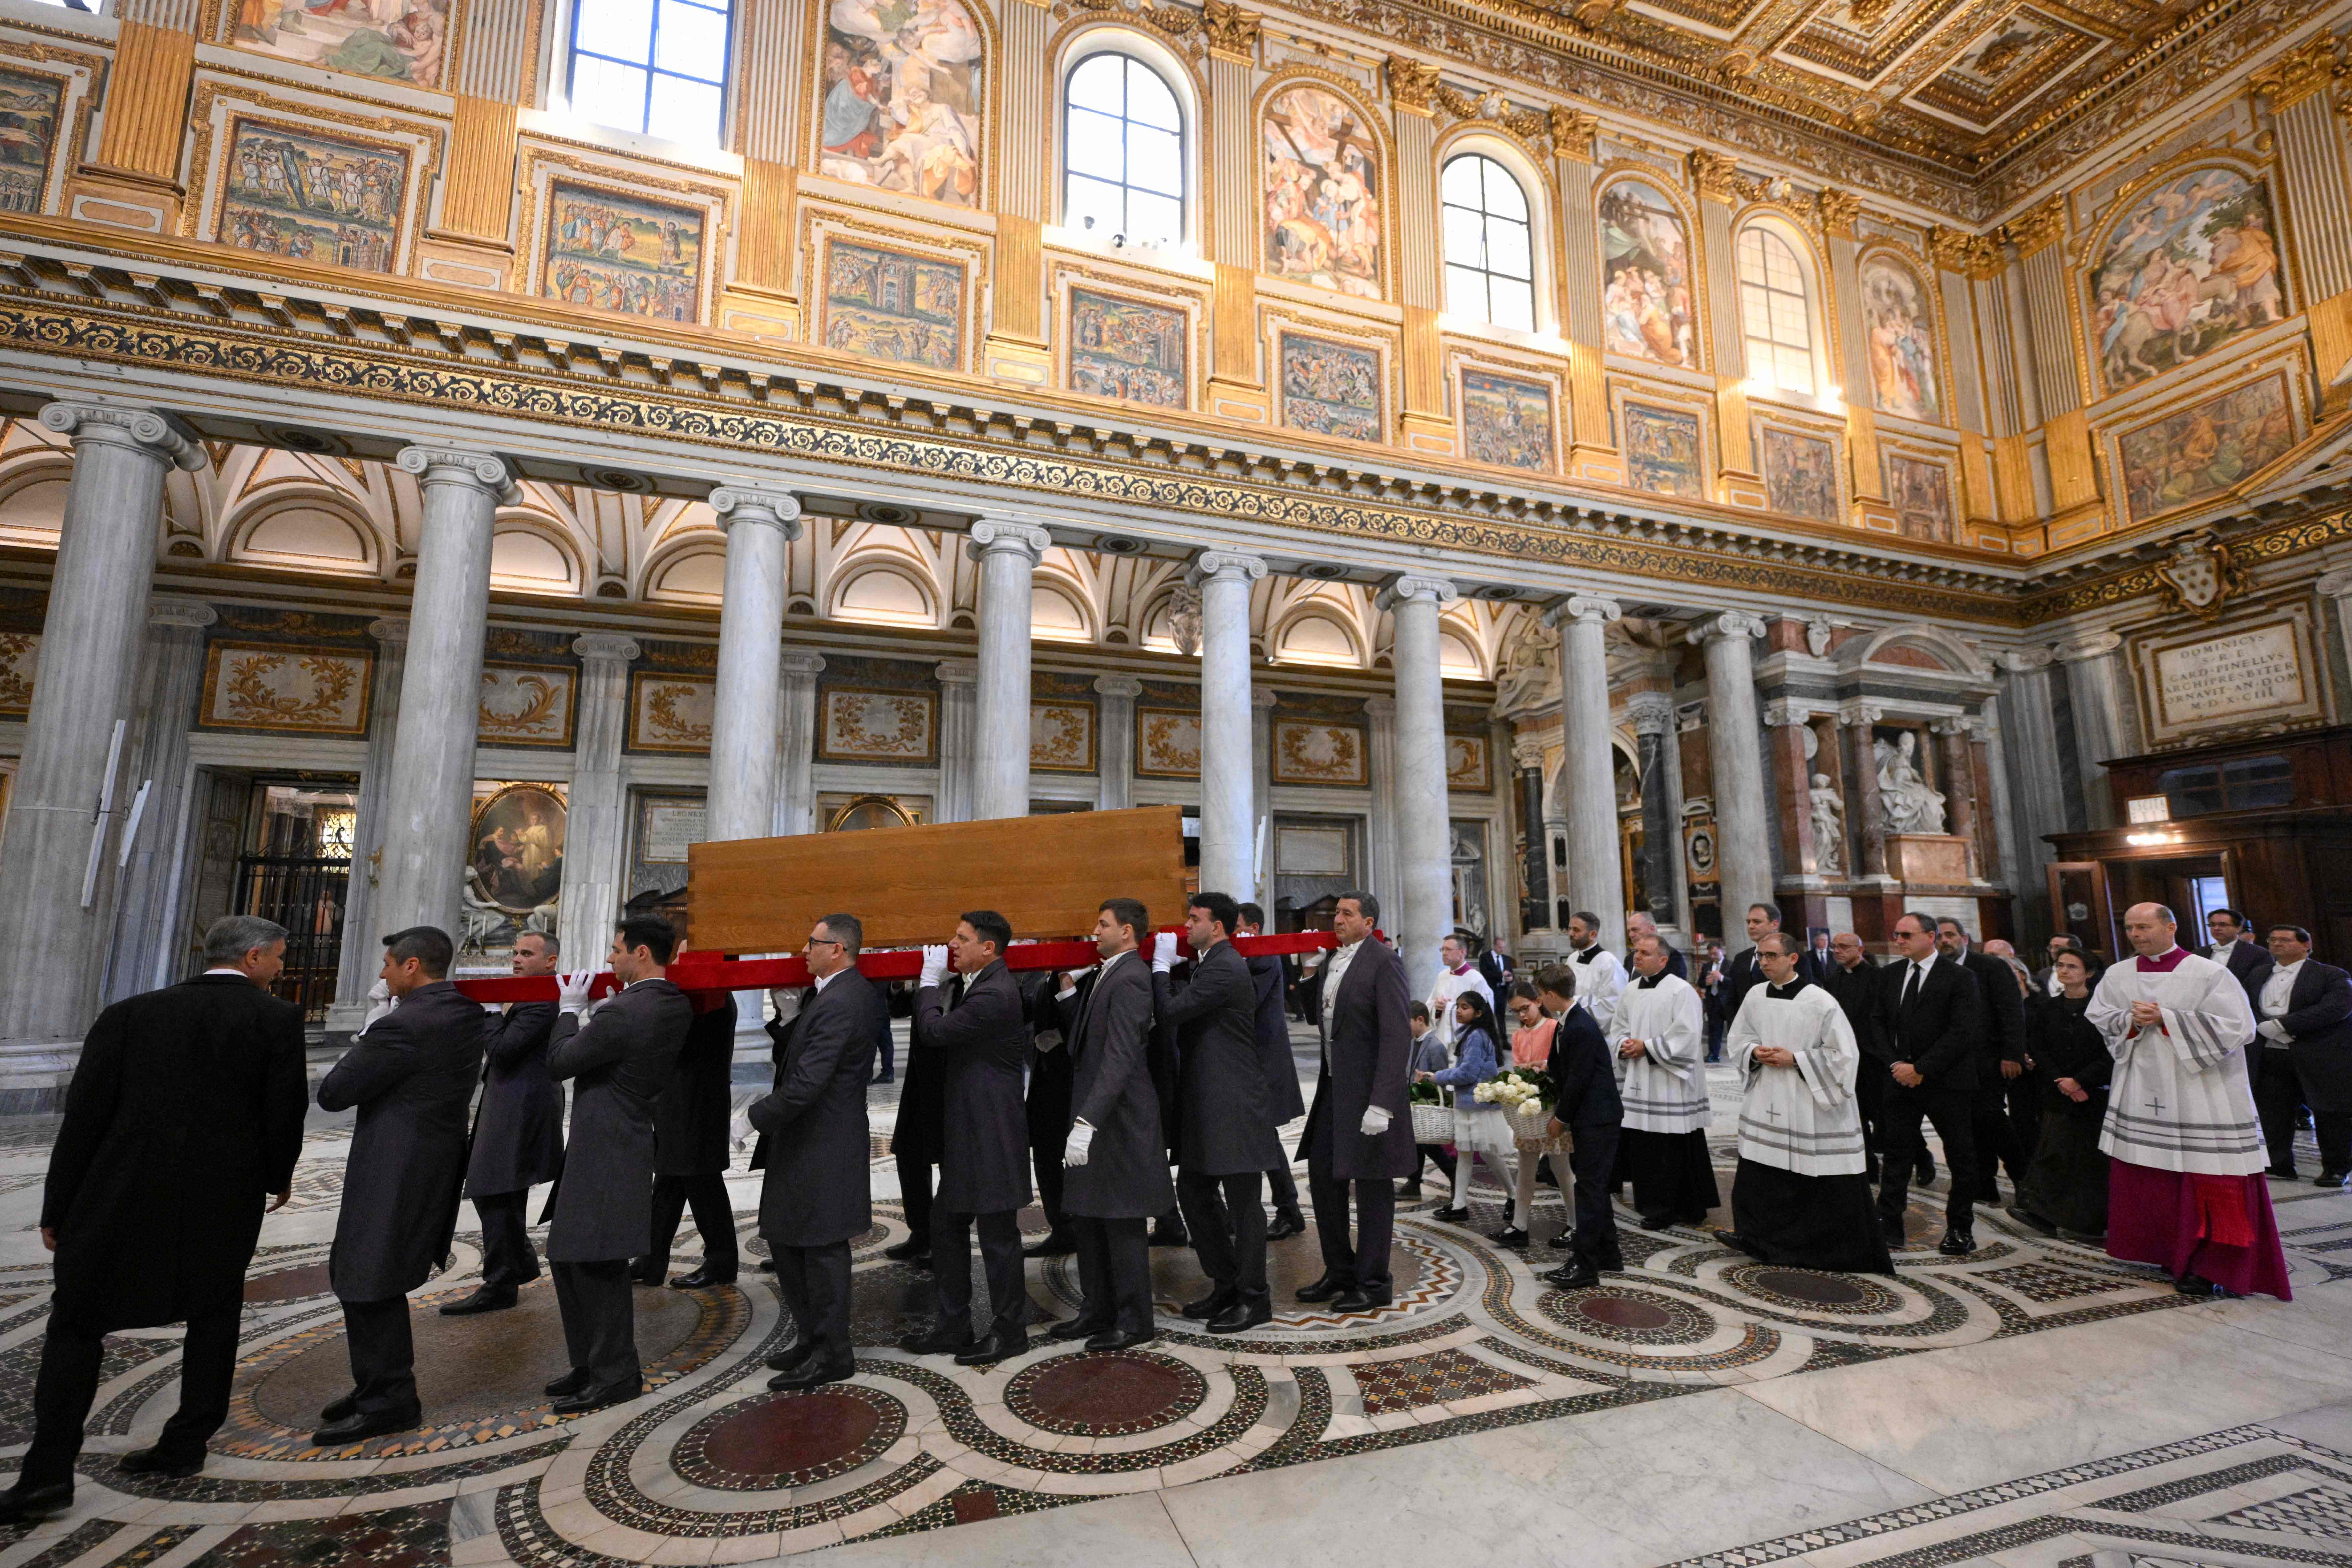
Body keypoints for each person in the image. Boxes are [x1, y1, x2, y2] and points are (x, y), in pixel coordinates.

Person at [0, 917, 305, 1520]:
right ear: (252, 958)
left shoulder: (129, 1013)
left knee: (76, 1326)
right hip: (221, 1196)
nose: (280, 967)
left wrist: (59, 1205)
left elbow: (84, 1116)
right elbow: (283, 1110)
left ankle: (46, 1474)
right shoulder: (275, 1018)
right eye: (277, 957)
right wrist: (277, 1176)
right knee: (214, 1314)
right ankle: (186, 1442)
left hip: (119, 1191)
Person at [313, 926, 485, 1444]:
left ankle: (390, 1400)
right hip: (431, 1159)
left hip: (394, 1163)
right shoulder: (463, 1010)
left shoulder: (404, 1024)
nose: (382, 973)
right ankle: (374, 1384)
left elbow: (334, 1093)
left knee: (368, 1276)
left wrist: (371, 1030)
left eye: (388, 964)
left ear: (412, 966)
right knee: (369, 1271)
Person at [2092, 902, 2289, 1299]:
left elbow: (2240, 1028)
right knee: (2151, 1173)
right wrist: (2129, 1021)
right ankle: (2163, 1250)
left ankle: (2208, 1264)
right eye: (2129, 928)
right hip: (2143, 1087)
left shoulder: (2209, 973)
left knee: (2208, 1174)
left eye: (2144, 927)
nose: (2135, 935)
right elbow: (2101, 1016)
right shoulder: (2118, 974)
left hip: (2202, 1090)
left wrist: (2168, 1019)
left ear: (2171, 927)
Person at [542, 916, 693, 1414]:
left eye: (616, 950)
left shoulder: (625, 1012)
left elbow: (560, 1062)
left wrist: (570, 1014)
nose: (610, 958)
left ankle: (615, 1374)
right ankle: (590, 1363)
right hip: (619, 1136)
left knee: (595, 1260)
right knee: (569, 1253)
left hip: (605, 1143)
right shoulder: (671, 1002)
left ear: (642, 953)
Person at [752, 913, 886, 1387]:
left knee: (822, 1247)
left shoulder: (845, 999)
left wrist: (752, 1118)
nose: (804, 951)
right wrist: (791, 1019)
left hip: (825, 1140)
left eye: (812, 943)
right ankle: (811, 1337)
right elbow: (803, 1057)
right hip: (806, 1138)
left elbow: (808, 1082)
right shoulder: (830, 994)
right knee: (788, 1239)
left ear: (837, 950)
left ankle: (833, 1354)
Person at [904, 910, 1034, 1364]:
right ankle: (954, 1326)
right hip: (970, 1132)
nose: (952, 945)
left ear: (988, 947)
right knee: (945, 1224)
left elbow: (934, 1032)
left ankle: (1010, 1331)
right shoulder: (979, 984)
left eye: (962, 938)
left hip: (992, 1134)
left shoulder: (994, 993)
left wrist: (927, 984)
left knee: (998, 1237)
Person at [1719, 933, 1892, 1273]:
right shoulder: (1755, 995)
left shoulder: (1820, 1001)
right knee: (1761, 1171)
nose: (1764, 962)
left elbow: (1844, 1056)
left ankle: (1811, 1248)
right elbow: (1739, 1038)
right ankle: (1757, 1238)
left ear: (1793, 958)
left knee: (1809, 1178)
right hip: (1767, 1097)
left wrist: (1796, 1059)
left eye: (1771, 955)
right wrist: (1754, 1051)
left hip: (1807, 1100)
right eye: (1761, 956)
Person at [1050, 898, 1174, 1350]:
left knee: (1122, 1224)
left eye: (1103, 924)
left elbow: (1120, 1057)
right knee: (1089, 1217)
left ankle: (1135, 1321)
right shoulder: (1108, 973)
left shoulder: (1132, 977)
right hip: (1099, 1115)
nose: (1095, 931)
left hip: (1117, 1121)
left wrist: (1087, 1121)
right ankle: (1097, 1310)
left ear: (1127, 932)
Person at [1156, 892, 1283, 1334]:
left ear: (1217, 927)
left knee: (1245, 1205)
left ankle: (1254, 1297)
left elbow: (1171, 1012)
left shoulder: (1225, 966)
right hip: (1209, 1101)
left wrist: (1159, 969)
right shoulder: (1209, 964)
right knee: (1194, 1192)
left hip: (1234, 1102)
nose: (1186, 926)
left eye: (1194, 919)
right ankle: (1227, 1283)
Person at [1297, 890, 1414, 1313]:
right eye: (1336, 913)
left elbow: (1397, 1036)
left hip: (1368, 1094)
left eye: (1347, 914)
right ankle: (1340, 1271)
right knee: (1322, 1177)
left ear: (1369, 922)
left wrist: (1382, 1103)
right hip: (1333, 1090)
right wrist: (1309, 973)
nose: (1338, 920)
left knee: (1372, 1186)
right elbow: (1316, 1018)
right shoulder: (1333, 959)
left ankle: (1373, 1282)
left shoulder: (1384, 962)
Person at [443, 929, 564, 1316]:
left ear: (550, 961)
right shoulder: (528, 994)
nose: (516, 959)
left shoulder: (542, 1000)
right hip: (508, 1099)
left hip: (522, 1104)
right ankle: (516, 1266)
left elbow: (503, 1051)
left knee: (496, 1188)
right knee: (496, 1190)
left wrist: (492, 1011)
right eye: (515, 952)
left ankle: (501, 1282)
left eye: (527, 954)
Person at [1876, 911, 1984, 1256]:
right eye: (1896, 935)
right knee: (1896, 1154)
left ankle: (1959, 1228)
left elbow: (1963, 1031)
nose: (1899, 941)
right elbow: (1875, 1024)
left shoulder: (1960, 977)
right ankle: (1888, 1224)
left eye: (1906, 935)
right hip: (1899, 1079)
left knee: (1960, 1156)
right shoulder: (1890, 975)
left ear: (1930, 936)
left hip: (1947, 1081)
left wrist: (1921, 1068)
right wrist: (1896, 1064)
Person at [635, 985, 739, 1290]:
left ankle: (721, 1262)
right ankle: (651, 1260)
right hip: (679, 1099)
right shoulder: (696, 993)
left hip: (696, 1102)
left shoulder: (710, 995)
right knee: (669, 1180)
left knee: (702, 1180)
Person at [1610, 933, 1717, 1229]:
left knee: (1672, 1145)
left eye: (1645, 953)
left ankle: (1676, 1206)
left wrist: (1646, 1047)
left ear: (1663, 960)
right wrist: (1623, 1044)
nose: (1637, 956)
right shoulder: (1630, 989)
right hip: (1640, 1078)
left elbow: (1688, 1035)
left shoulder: (1681, 990)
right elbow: (1617, 1026)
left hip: (1670, 1082)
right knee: (1645, 1145)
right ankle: (1652, 1204)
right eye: (1636, 951)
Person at [1536, 965, 1626, 1288]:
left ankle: (1584, 1265)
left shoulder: (1580, 1027)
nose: (1540, 1001)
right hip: (1591, 1116)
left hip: (1597, 1118)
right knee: (1593, 1187)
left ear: (1551, 995)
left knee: (1588, 1190)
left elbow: (1579, 1079)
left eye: (1540, 995)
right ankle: (1608, 1254)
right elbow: (1564, 1069)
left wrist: (1561, 1119)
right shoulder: (1570, 1022)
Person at [2011, 949, 2111, 1239]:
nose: (2064, 971)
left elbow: (2110, 1052)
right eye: (2060, 966)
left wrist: (2079, 1081)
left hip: (2093, 1092)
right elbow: (2039, 1047)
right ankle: (2042, 1213)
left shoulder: (2102, 1008)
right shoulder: (2048, 1008)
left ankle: (2090, 1222)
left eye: (2072, 966)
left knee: (2089, 1158)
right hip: (2058, 1091)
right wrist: (2061, 1081)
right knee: (2053, 1151)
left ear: (2089, 973)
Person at [2248, 923, 2352, 1187]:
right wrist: (2262, 1026)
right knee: (2274, 1111)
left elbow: (2336, 1008)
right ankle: (2279, 1163)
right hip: (2271, 1053)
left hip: (2318, 1053)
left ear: (2306, 945)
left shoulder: (2330, 975)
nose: (2276, 944)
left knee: (2328, 1112)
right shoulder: (2259, 973)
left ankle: (2336, 1168)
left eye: (2285, 940)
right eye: (2272, 940)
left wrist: (2284, 1026)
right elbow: (2246, 1004)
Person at [1937, 918, 2030, 1205]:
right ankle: (1984, 1183)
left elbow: (2011, 1012)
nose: (1945, 941)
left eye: (1950, 935)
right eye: (1939, 936)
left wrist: (2012, 1054)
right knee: (1969, 1125)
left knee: (1991, 1119)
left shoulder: (1990, 966)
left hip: (1989, 1059)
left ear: (1964, 939)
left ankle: (2024, 1178)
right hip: (1953, 1064)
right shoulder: (1936, 970)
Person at [1237, 904, 1309, 1239]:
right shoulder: (1249, 957)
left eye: (1237, 927)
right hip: (1250, 1062)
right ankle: (1282, 1209)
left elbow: (1248, 1000)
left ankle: (1289, 1210)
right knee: (1259, 1138)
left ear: (1253, 929)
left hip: (1264, 1062)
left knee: (1265, 1137)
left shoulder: (1263, 956)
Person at [886, 917, 949, 1271]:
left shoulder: (963, 981)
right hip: (919, 1077)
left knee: (949, 1160)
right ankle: (921, 1231)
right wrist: (899, 982)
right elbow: (898, 1010)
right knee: (909, 1154)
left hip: (950, 1080)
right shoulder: (928, 970)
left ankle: (945, 1238)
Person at [1426, 990, 1515, 1235]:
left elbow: (1467, 1073)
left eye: (1464, 1007)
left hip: (1478, 1104)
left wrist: (1438, 1076)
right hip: (1470, 1102)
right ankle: (1459, 1204)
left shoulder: (1476, 1036)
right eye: (1458, 1006)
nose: (1459, 1011)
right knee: (1466, 1153)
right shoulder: (1471, 1033)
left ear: (1478, 1013)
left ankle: (1513, 1194)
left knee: (1487, 1152)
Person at [1022, 963, 1079, 1260]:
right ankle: (1062, 1228)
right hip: (1046, 1084)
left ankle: (1082, 1228)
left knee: (1078, 1161)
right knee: (1046, 1159)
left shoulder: (1086, 976)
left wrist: (1062, 1040)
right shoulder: (1043, 980)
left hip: (1073, 1083)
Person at [1822, 932, 1891, 1180]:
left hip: (1874, 1058)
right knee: (1856, 1114)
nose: (1837, 951)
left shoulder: (1878, 977)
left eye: (1843, 947)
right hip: (1847, 1059)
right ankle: (1868, 1165)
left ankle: (1921, 1157)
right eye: (1835, 947)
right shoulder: (1832, 980)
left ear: (1860, 950)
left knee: (1885, 1115)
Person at [1403, 1001, 1455, 1199]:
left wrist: (1424, 1081)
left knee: (1428, 1146)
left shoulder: (1436, 1046)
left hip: (1428, 1106)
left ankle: (1453, 1173)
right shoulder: (1412, 1043)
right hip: (1414, 1103)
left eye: (1407, 1022)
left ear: (1420, 1020)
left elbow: (1441, 1079)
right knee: (1416, 1144)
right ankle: (1414, 1184)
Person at [1425, 932, 1486, 1058]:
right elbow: (1430, 1004)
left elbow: (1483, 1013)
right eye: (1442, 949)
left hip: (1465, 1041)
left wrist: (1449, 1007)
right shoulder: (1442, 976)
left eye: (1449, 950)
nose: (1444, 953)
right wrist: (1437, 1008)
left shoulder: (1476, 979)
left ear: (1462, 952)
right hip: (1441, 1038)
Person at [1564, 910, 1626, 1032]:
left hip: (1598, 1033)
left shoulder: (1609, 963)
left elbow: (1612, 1005)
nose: (1571, 934)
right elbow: (1564, 993)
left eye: (1576, 930)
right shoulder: (1572, 959)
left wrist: (1571, 1004)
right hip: (1572, 1028)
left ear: (1593, 934)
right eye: (1570, 929)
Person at [2204, 908, 2268, 1006]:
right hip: (2205, 1005)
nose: (2216, 928)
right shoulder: (2200, 953)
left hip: (2241, 1005)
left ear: (2239, 928)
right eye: (2212, 925)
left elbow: (2259, 988)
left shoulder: (2258, 954)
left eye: (2223, 925)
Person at [1626, 911, 1690, 979]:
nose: (1631, 935)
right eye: (1629, 931)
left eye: (1635, 930)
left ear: (1652, 929)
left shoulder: (1671, 957)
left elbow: (1672, 984)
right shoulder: (1630, 959)